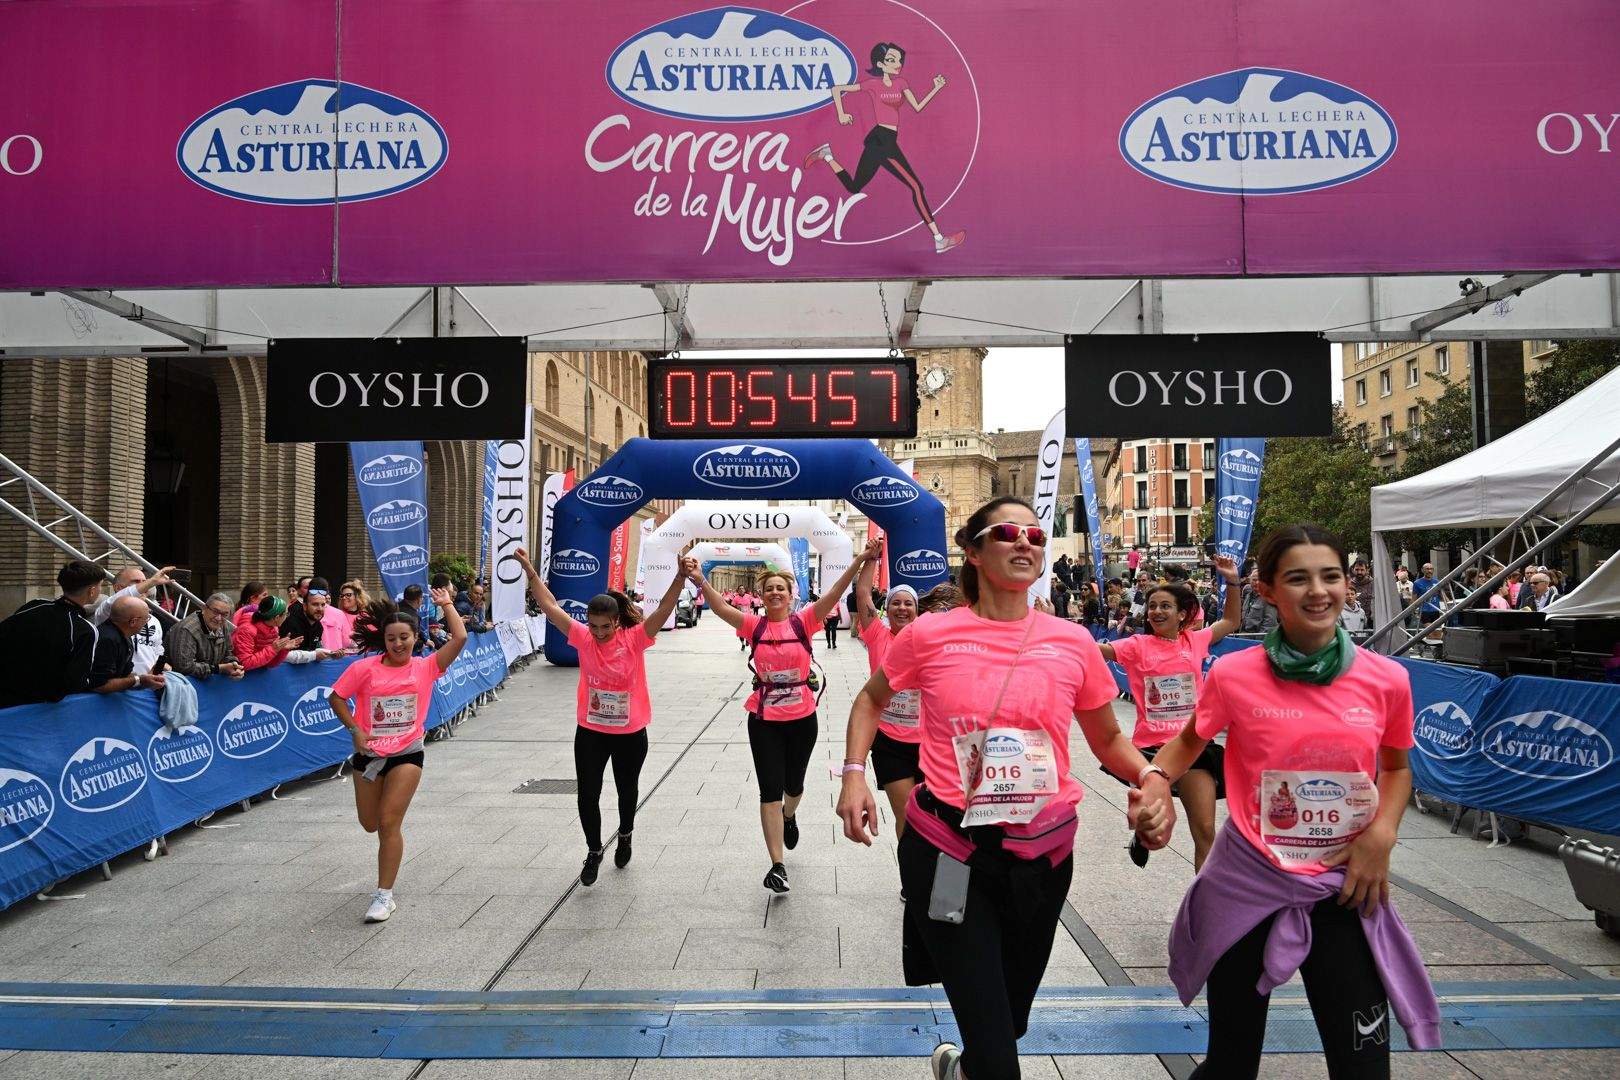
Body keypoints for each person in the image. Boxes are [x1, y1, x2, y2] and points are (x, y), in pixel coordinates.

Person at [837, 497, 1173, 1080]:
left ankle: (967, 1064)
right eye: (1008, 533)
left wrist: (1150, 777)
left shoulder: (1072, 642)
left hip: (1042, 857)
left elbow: (1107, 740)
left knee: (1010, 1018)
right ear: (972, 549)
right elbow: (870, 698)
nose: (1026, 543)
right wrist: (854, 775)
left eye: (1037, 536)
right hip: (947, 852)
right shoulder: (928, 634)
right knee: (996, 1045)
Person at [1143, 524, 1440, 1077]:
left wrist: (1381, 834)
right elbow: (1189, 740)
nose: (1318, 591)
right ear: (1267, 590)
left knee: (1363, 1066)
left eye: (1330, 576)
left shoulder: (1387, 679)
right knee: (1232, 1063)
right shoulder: (1234, 673)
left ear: (1347, 585)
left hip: (1346, 884)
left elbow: (1397, 768)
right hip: (1246, 883)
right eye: (1298, 579)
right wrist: (1157, 777)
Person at [695, 543, 880, 893]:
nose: (775, 593)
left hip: (801, 719)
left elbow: (837, 591)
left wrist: (860, 560)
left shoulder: (805, 621)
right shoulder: (753, 625)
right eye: (769, 589)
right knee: (769, 791)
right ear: (762, 596)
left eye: (781, 588)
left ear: (791, 595)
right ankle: (777, 865)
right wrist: (698, 579)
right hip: (763, 719)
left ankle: (790, 816)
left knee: (793, 785)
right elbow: (719, 608)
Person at [515, 547, 687, 885]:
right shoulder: (583, 638)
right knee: (587, 793)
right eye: (593, 626)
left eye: (605, 627)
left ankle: (625, 832)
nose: (598, 633)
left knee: (626, 789)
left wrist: (680, 578)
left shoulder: (635, 639)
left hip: (630, 731)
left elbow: (664, 608)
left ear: (617, 622)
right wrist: (530, 572)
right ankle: (594, 850)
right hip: (591, 730)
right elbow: (551, 608)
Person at [329, 586, 466, 923]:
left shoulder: (425, 667)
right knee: (370, 823)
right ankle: (385, 881)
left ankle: (384, 896)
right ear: (384, 640)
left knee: (389, 822)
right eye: (392, 638)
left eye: (404, 637)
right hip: (369, 757)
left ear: (415, 637)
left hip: (407, 753)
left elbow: (460, 638)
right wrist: (355, 729)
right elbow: (336, 698)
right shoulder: (364, 669)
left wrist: (447, 604)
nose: (398, 643)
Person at [1095, 556, 1242, 871]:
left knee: (1204, 832)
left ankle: (1206, 907)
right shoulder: (1137, 645)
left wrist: (1233, 582)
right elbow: (1096, 651)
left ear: (1182, 615)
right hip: (1153, 752)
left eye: (1165, 606)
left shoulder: (1196, 640)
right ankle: (1143, 832)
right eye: (1152, 607)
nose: (1157, 612)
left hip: (1193, 746)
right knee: (1152, 823)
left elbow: (1230, 622)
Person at [804, 42, 965, 255]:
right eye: (891, 60)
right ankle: (939, 239)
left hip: (885, 140)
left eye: (899, 60)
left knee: (853, 187)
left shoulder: (901, 83)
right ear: (880, 64)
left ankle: (827, 155)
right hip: (881, 140)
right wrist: (841, 113)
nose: (897, 64)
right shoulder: (873, 85)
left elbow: (917, 107)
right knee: (916, 187)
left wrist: (935, 88)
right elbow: (837, 89)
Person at [852, 553, 922, 836]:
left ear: (917, 610)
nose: (902, 608)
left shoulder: (928, 639)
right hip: (889, 741)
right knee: (906, 816)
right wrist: (871, 558)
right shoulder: (878, 634)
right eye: (896, 602)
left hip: (929, 742)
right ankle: (912, 880)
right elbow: (863, 592)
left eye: (908, 603)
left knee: (934, 818)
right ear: (887, 608)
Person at [0, 559, 104, 708]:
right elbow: (76, 681)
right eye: (100, 585)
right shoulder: (85, 629)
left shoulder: (34, 605)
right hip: (40, 708)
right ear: (92, 590)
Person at [92, 564, 174, 676]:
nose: (144, 586)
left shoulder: (154, 620)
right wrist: (152, 581)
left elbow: (157, 651)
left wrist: (161, 667)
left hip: (147, 687)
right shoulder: (108, 612)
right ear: (118, 588)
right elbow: (115, 600)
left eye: (144, 581)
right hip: (118, 685)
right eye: (136, 581)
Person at [87, 595, 168, 694]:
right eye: (146, 619)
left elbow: (125, 674)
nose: (147, 622)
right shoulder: (107, 640)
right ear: (133, 622)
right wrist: (139, 680)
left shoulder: (125, 635)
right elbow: (99, 685)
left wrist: (148, 679)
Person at [163, 592, 244, 680]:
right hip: (179, 684)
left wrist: (234, 665)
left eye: (224, 614)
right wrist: (218, 669)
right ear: (204, 608)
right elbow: (184, 667)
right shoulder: (186, 629)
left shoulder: (223, 625)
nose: (218, 618)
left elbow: (229, 652)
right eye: (215, 612)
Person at [233, 596, 303, 671]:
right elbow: (244, 663)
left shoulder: (273, 628)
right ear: (276, 618)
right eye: (286, 614)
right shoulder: (247, 630)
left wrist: (282, 650)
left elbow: (270, 664)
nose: (287, 616)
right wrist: (273, 649)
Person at [1240, 567, 1279, 633]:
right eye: (1254, 580)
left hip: (1257, 640)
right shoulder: (1248, 595)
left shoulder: (1268, 597)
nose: (1257, 582)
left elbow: (1269, 624)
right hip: (1243, 638)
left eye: (1260, 580)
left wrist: (1256, 641)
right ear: (1250, 581)